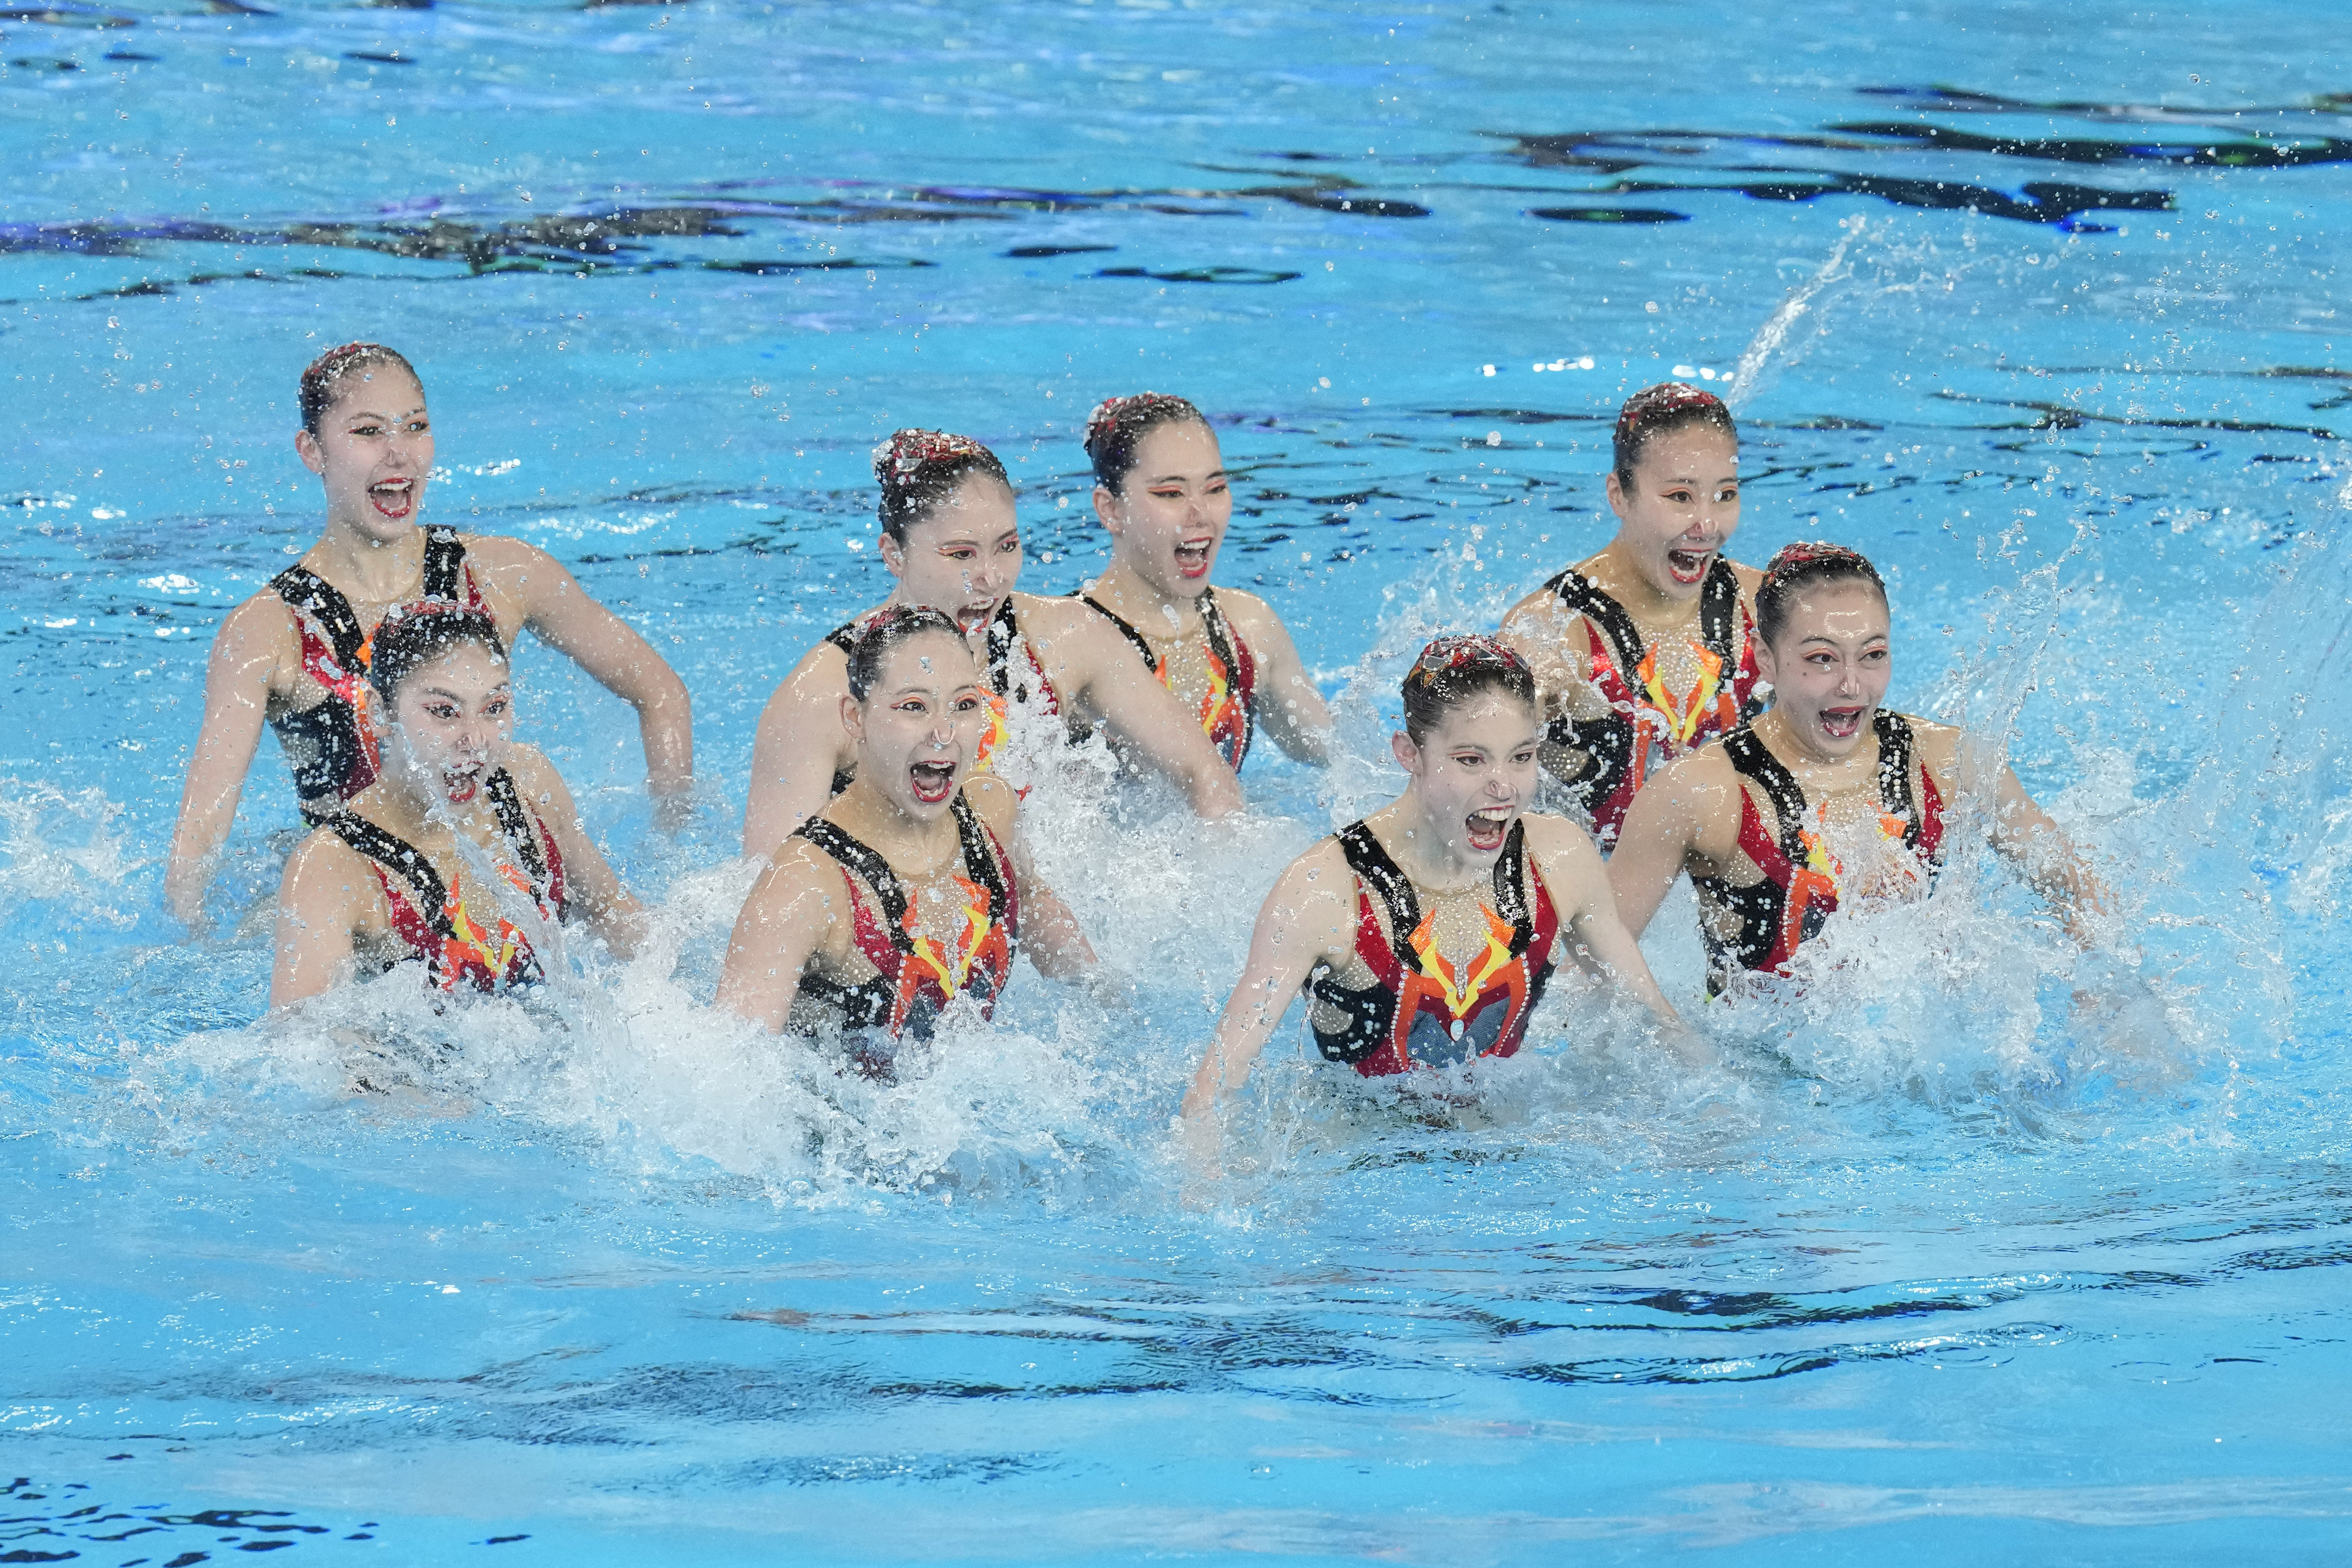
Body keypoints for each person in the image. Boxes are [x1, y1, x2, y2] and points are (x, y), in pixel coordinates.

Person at [168, 342, 693, 925]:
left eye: (415, 427)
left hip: (508, 888)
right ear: (312, 451)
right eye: (368, 431)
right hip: (374, 920)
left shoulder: (503, 574)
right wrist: (197, 944)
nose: (398, 453)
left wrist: (668, 847)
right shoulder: (270, 630)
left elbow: (661, 693)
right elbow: (199, 842)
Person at [1179, 636, 1683, 1124]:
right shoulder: (1326, 892)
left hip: (1507, 1139)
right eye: (1471, 760)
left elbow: (1657, 1021)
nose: (1504, 787)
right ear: (1409, 753)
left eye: (1521, 757)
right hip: (1360, 1150)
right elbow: (1212, 1093)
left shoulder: (1560, 861)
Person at [1606, 543, 2110, 996]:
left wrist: (2101, 996)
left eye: (1873, 655)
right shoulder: (1702, 794)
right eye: (1822, 658)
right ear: (1765, 658)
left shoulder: (1949, 763)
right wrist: (1681, 1042)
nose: (1852, 686)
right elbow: (1595, 963)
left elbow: (2075, 884)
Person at [741, 428, 1244, 859]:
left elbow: (1206, 774)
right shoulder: (824, 696)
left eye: (1007, 546)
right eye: (961, 554)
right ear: (894, 555)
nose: (990, 577)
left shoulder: (1064, 639)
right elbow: (771, 890)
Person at [718, 608, 1096, 1072]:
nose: (944, 733)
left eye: (964, 705)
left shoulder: (992, 812)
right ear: (855, 717)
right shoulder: (805, 885)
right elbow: (733, 1076)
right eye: (914, 706)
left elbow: (1034, 899)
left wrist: (1104, 1002)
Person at [269, 605, 645, 1007]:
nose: (476, 740)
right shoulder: (333, 867)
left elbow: (613, 915)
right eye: (444, 712)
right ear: (379, 713)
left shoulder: (527, 783)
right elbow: (301, 1034)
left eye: (494, 707)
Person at [1497, 381, 1764, 845]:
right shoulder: (1556, 632)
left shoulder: (1763, 608)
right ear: (1619, 495)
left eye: (1725, 494)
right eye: (1680, 496)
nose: (1707, 525)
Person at [1077, 392, 1332, 773]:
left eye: (1215, 489)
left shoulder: (1248, 629)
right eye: (1171, 493)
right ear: (1110, 510)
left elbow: (1340, 760)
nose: (1201, 514)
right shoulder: (1067, 645)